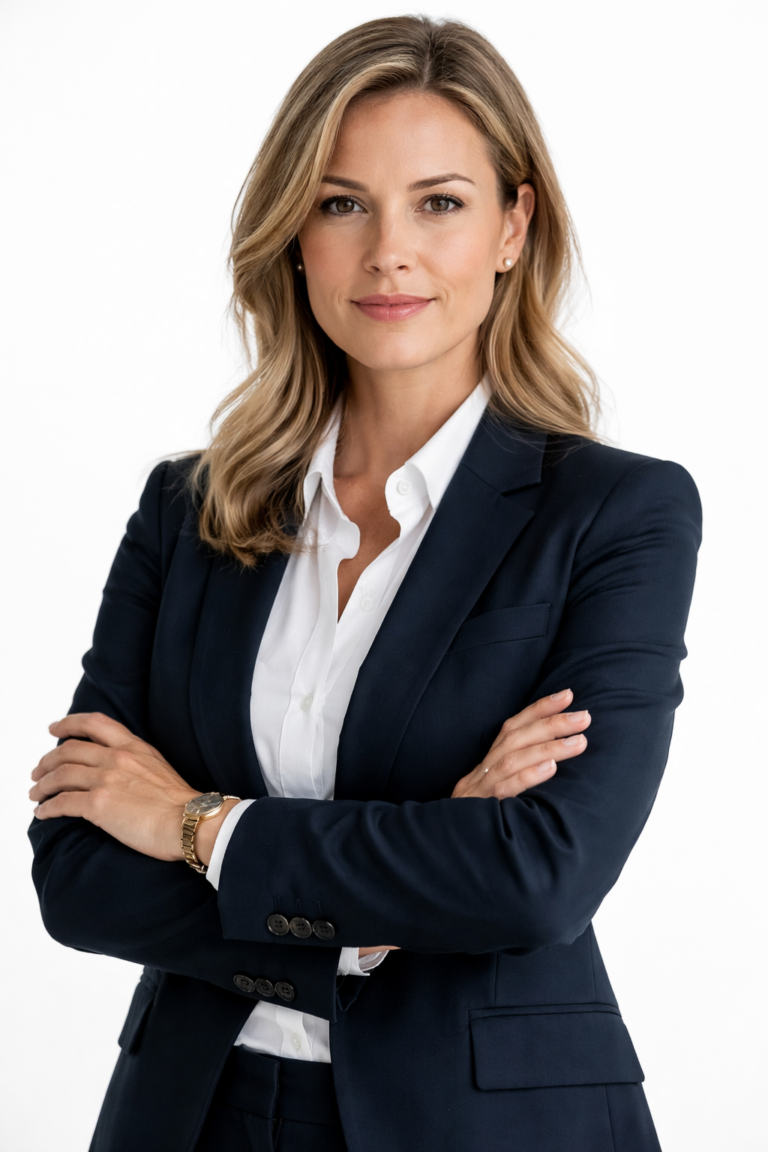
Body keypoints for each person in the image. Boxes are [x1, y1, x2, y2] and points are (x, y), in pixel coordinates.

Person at [28, 15, 701, 1152]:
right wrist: (407, 882)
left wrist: (195, 826)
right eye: (343, 203)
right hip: (193, 1113)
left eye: (439, 202)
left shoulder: (616, 515)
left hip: (485, 1122)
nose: (390, 250)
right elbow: (78, 868)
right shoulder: (188, 509)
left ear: (512, 225)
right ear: (295, 235)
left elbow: (538, 878)